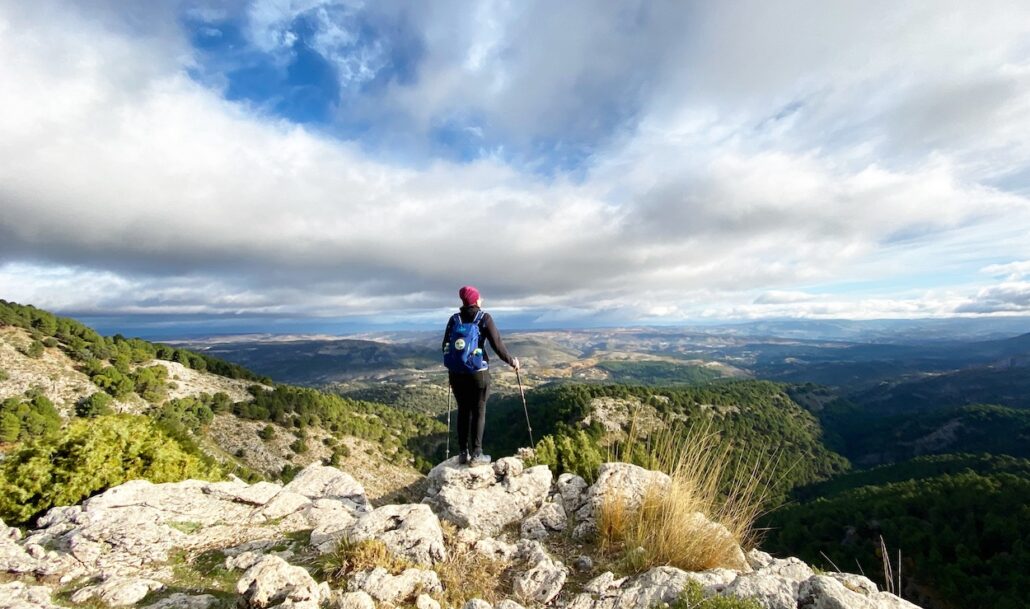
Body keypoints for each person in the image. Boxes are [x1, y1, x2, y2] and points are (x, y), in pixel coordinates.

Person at [442, 285, 519, 465]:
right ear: (475, 300)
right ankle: (477, 454)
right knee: (478, 410)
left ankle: (463, 453)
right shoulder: (484, 318)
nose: (481, 299)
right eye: (479, 297)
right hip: (478, 373)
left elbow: (445, 345)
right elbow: (497, 345)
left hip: (456, 373)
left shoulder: (454, 319)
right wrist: (512, 362)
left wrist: (454, 365)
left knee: (463, 410)